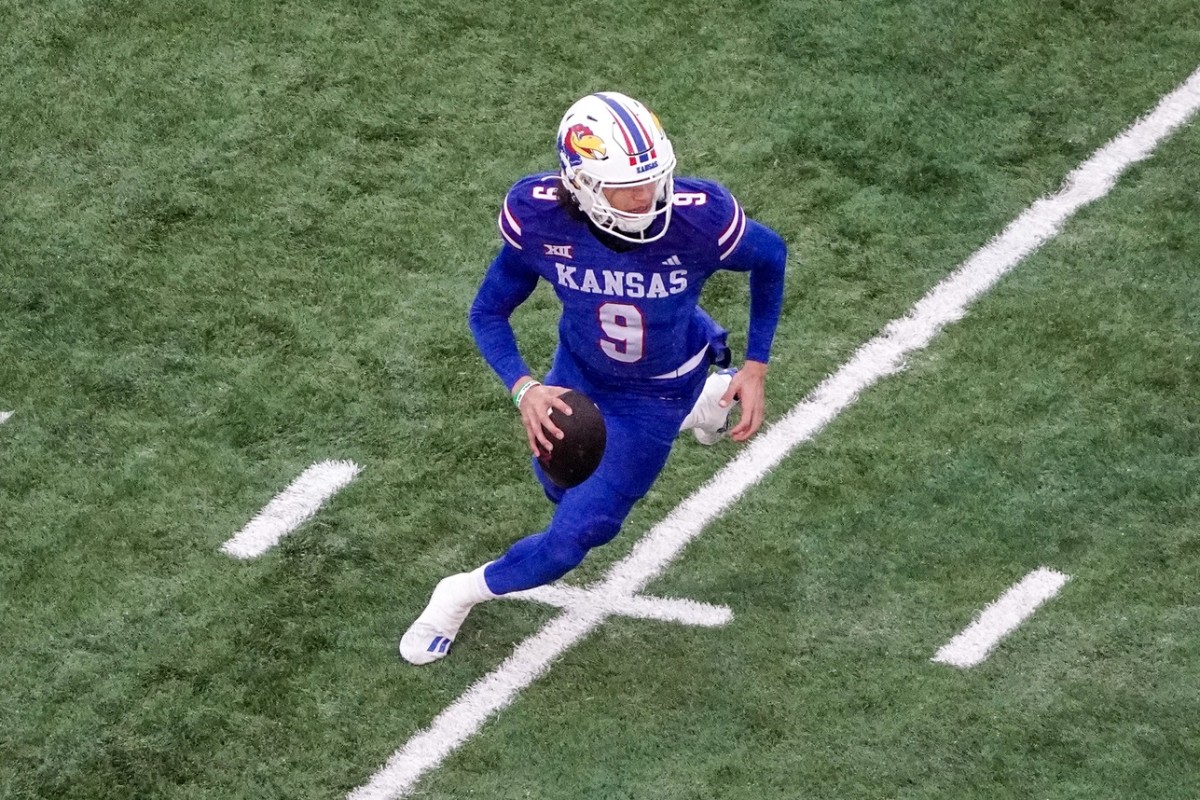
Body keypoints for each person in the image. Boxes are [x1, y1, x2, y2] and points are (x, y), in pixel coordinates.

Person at [400, 91, 787, 664]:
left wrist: (757, 366)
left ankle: (457, 593)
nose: (646, 197)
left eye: (654, 179)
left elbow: (770, 255)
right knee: (560, 482)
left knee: (576, 535)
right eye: (626, 186)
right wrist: (525, 388)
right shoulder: (539, 217)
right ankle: (707, 401)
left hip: (657, 391)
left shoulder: (698, 217)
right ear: (579, 184)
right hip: (578, 374)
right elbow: (487, 311)